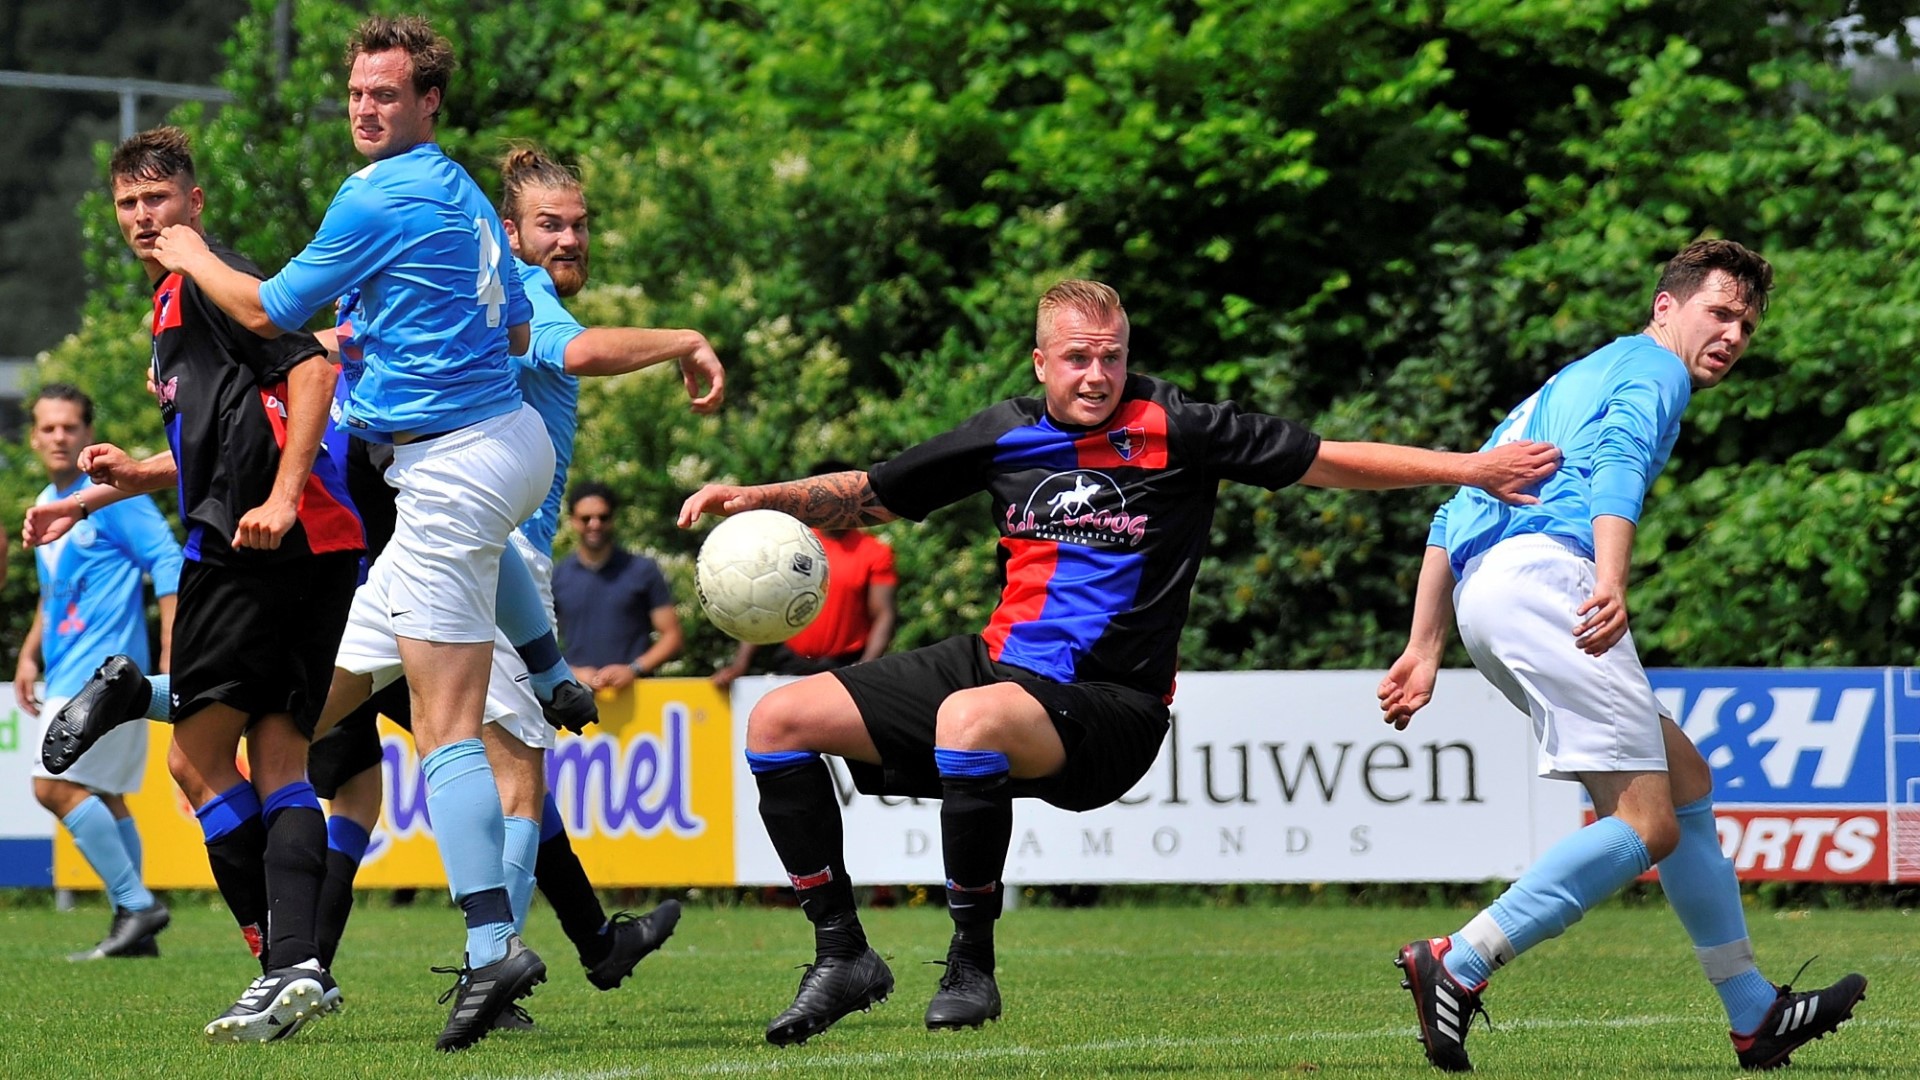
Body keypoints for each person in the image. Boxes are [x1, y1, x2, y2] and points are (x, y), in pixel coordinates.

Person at [676, 278, 1562, 1046]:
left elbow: (1328, 461)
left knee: (967, 721)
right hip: (997, 664)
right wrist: (758, 498)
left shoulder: (1181, 427)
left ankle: (971, 967)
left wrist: (1469, 469)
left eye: (1111, 356)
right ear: (1040, 363)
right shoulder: (1002, 434)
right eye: (1076, 358)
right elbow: (872, 494)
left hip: (1111, 706)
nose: (1096, 374)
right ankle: (843, 956)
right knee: (778, 720)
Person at [146, 16, 555, 1050]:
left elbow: (269, 309)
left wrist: (190, 252)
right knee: (301, 704)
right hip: (496, 448)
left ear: (428, 102)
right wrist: (396, 332)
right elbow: (511, 328)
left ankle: (491, 952)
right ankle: (298, 957)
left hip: (450, 467)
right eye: (357, 91)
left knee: (447, 727)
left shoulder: (378, 193)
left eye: (387, 93)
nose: (365, 108)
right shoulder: (460, 188)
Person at [1376, 239, 1866, 1073]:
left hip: (1489, 594)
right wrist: (1608, 578)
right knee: (1647, 824)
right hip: (1549, 584)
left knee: (1686, 784)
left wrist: (1425, 644)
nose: (1733, 334)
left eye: (1747, 324)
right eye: (1720, 312)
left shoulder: (1570, 381)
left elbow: (1455, 510)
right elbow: (1621, 462)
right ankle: (1459, 961)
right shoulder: (1654, 369)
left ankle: (1754, 1012)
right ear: (1666, 306)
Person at [307, 144, 719, 1010]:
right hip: (497, 551)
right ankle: (490, 967)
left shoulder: (461, 290)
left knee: (314, 708)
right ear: (509, 231)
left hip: (429, 539)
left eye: (579, 225)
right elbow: (578, 354)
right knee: (516, 775)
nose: (568, 240)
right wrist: (683, 340)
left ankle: (588, 943)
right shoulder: (518, 289)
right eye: (549, 224)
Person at [31, 126, 363, 1042]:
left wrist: (283, 498)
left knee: (200, 758)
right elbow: (234, 432)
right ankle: (293, 967)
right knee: (274, 762)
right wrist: (113, 485)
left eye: (160, 199)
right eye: (129, 203)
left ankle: (284, 958)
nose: (145, 216)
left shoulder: (212, 279)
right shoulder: (179, 303)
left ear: (195, 203)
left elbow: (312, 368)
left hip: (257, 543)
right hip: (312, 543)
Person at [14, 384, 181, 962]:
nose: (59, 437)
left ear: (88, 433)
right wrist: (29, 653)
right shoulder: (47, 500)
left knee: (51, 785)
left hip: (107, 678)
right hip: (66, 672)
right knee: (107, 797)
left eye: (70, 427)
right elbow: (54, 594)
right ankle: (135, 929)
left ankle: (136, 906)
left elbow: (168, 558)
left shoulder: (111, 495)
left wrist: (171, 650)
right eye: (48, 428)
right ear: (33, 438)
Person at [711, 459, 897, 688]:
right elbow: (763, 601)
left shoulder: (874, 552)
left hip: (845, 666)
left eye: (841, 496)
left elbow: (883, 614)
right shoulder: (791, 544)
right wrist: (740, 664)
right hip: (793, 664)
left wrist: (865, 667)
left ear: (853, 498)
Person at [553, 481, 685, 690]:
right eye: (586, 518)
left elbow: (672, 636)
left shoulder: (642, 570)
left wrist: (634, 669)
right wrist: (572, 673)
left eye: (603, 517)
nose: (595, 524)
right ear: (573, 521)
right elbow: (537, 641)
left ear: (613, 518)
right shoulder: (557, 576)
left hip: (636, 696)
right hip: (578, 696)